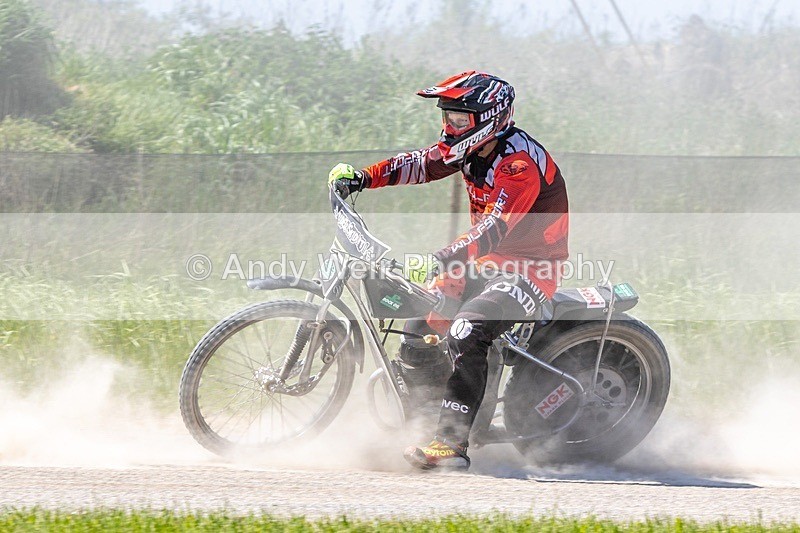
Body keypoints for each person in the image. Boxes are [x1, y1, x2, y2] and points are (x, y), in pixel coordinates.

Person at [328, 71, 569, 470]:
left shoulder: (517, 165)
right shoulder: (470, 147)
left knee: (466, 329)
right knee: (421, 323)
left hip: (531, 270)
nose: (450, 127)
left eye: (460, 119)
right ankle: (424, 419)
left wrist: (439, 259)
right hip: (482, 261)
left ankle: (451, 443)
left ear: (488, 118)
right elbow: (423, 163)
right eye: (448, 117)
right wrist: (363, 177)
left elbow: (494, 229)